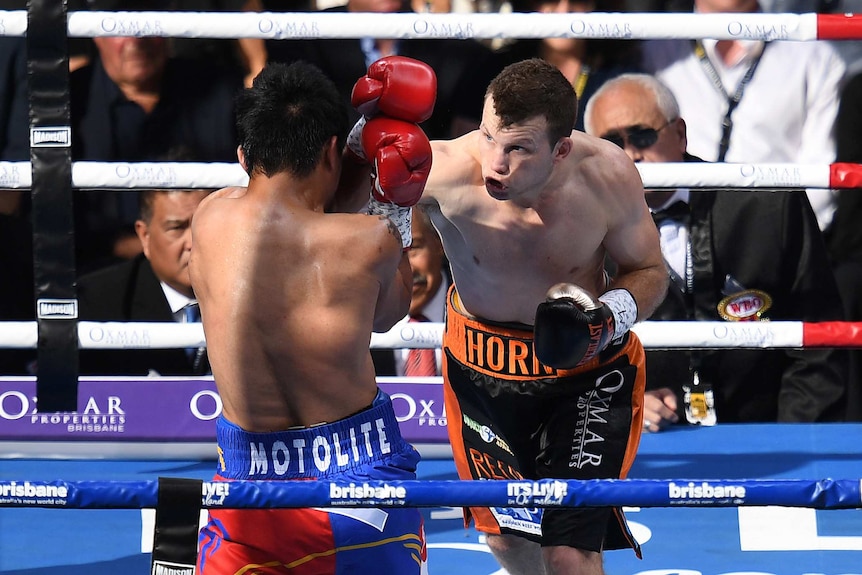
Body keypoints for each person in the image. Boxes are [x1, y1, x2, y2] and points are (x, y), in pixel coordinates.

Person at [343, 56, 668, 574]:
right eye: (490, 136)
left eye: (518, 148)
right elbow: (333, 196)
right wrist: (366, 134)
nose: (496, 161)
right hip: (482, 373)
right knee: (509, 545)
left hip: (586, 377)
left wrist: (608, 317)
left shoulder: (606, 175)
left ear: (561, 149)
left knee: (568, 553)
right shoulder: (446, 170)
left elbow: (650, 271)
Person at [190, 60, 434, 574]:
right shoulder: (367, 242)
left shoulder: (208, 219)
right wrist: (386, 206)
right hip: (359, 483)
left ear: (243, 155)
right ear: (330, 153)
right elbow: (389, 315)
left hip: (246, 486)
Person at [583, 72, 848, 429]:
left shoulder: (770, 207)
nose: (631, 153)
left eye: (643, 135)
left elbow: (818, 344)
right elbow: (566, 361)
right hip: (648, 446)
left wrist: (793, 448)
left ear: (680, 134)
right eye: (613, 143)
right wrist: (620, 404)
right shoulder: (576, 231)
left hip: (766, 434)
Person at [640, 0, 846, 234]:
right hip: (670, 236)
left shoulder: (815, 56)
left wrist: (780, 241)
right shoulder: (651, 51)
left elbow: (820, 170)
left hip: (777, 241)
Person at [70, 0, 243, 273]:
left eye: (148, 21)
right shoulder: (69, 101)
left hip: (210, 264)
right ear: (96, 33)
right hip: (100, 271)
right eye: (121, 26)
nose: (137, 39)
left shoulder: (218, 91)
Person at [266, 0, 494, 139]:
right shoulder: (310, 36)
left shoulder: (445, 44)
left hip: (422, 189)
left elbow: (466, 133)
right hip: (333, 185)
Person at [452, 0, 643, 135]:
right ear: (529, 4)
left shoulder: (618, 72)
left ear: (595, 5)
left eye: (579, 0)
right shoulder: (495, 67)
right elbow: (467, 140)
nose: (564, 9)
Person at [77, 187, 213, 376]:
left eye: (204, 225)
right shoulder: (96, 302)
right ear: (144, 236)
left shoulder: (257, 294)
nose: (192, 242)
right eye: (176, 228)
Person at [372, 206, 449, 376]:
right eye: (388, 254)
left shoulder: (476, 308)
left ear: (440, 244)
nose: (406, 269)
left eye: (412, 248)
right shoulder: (361, 317)